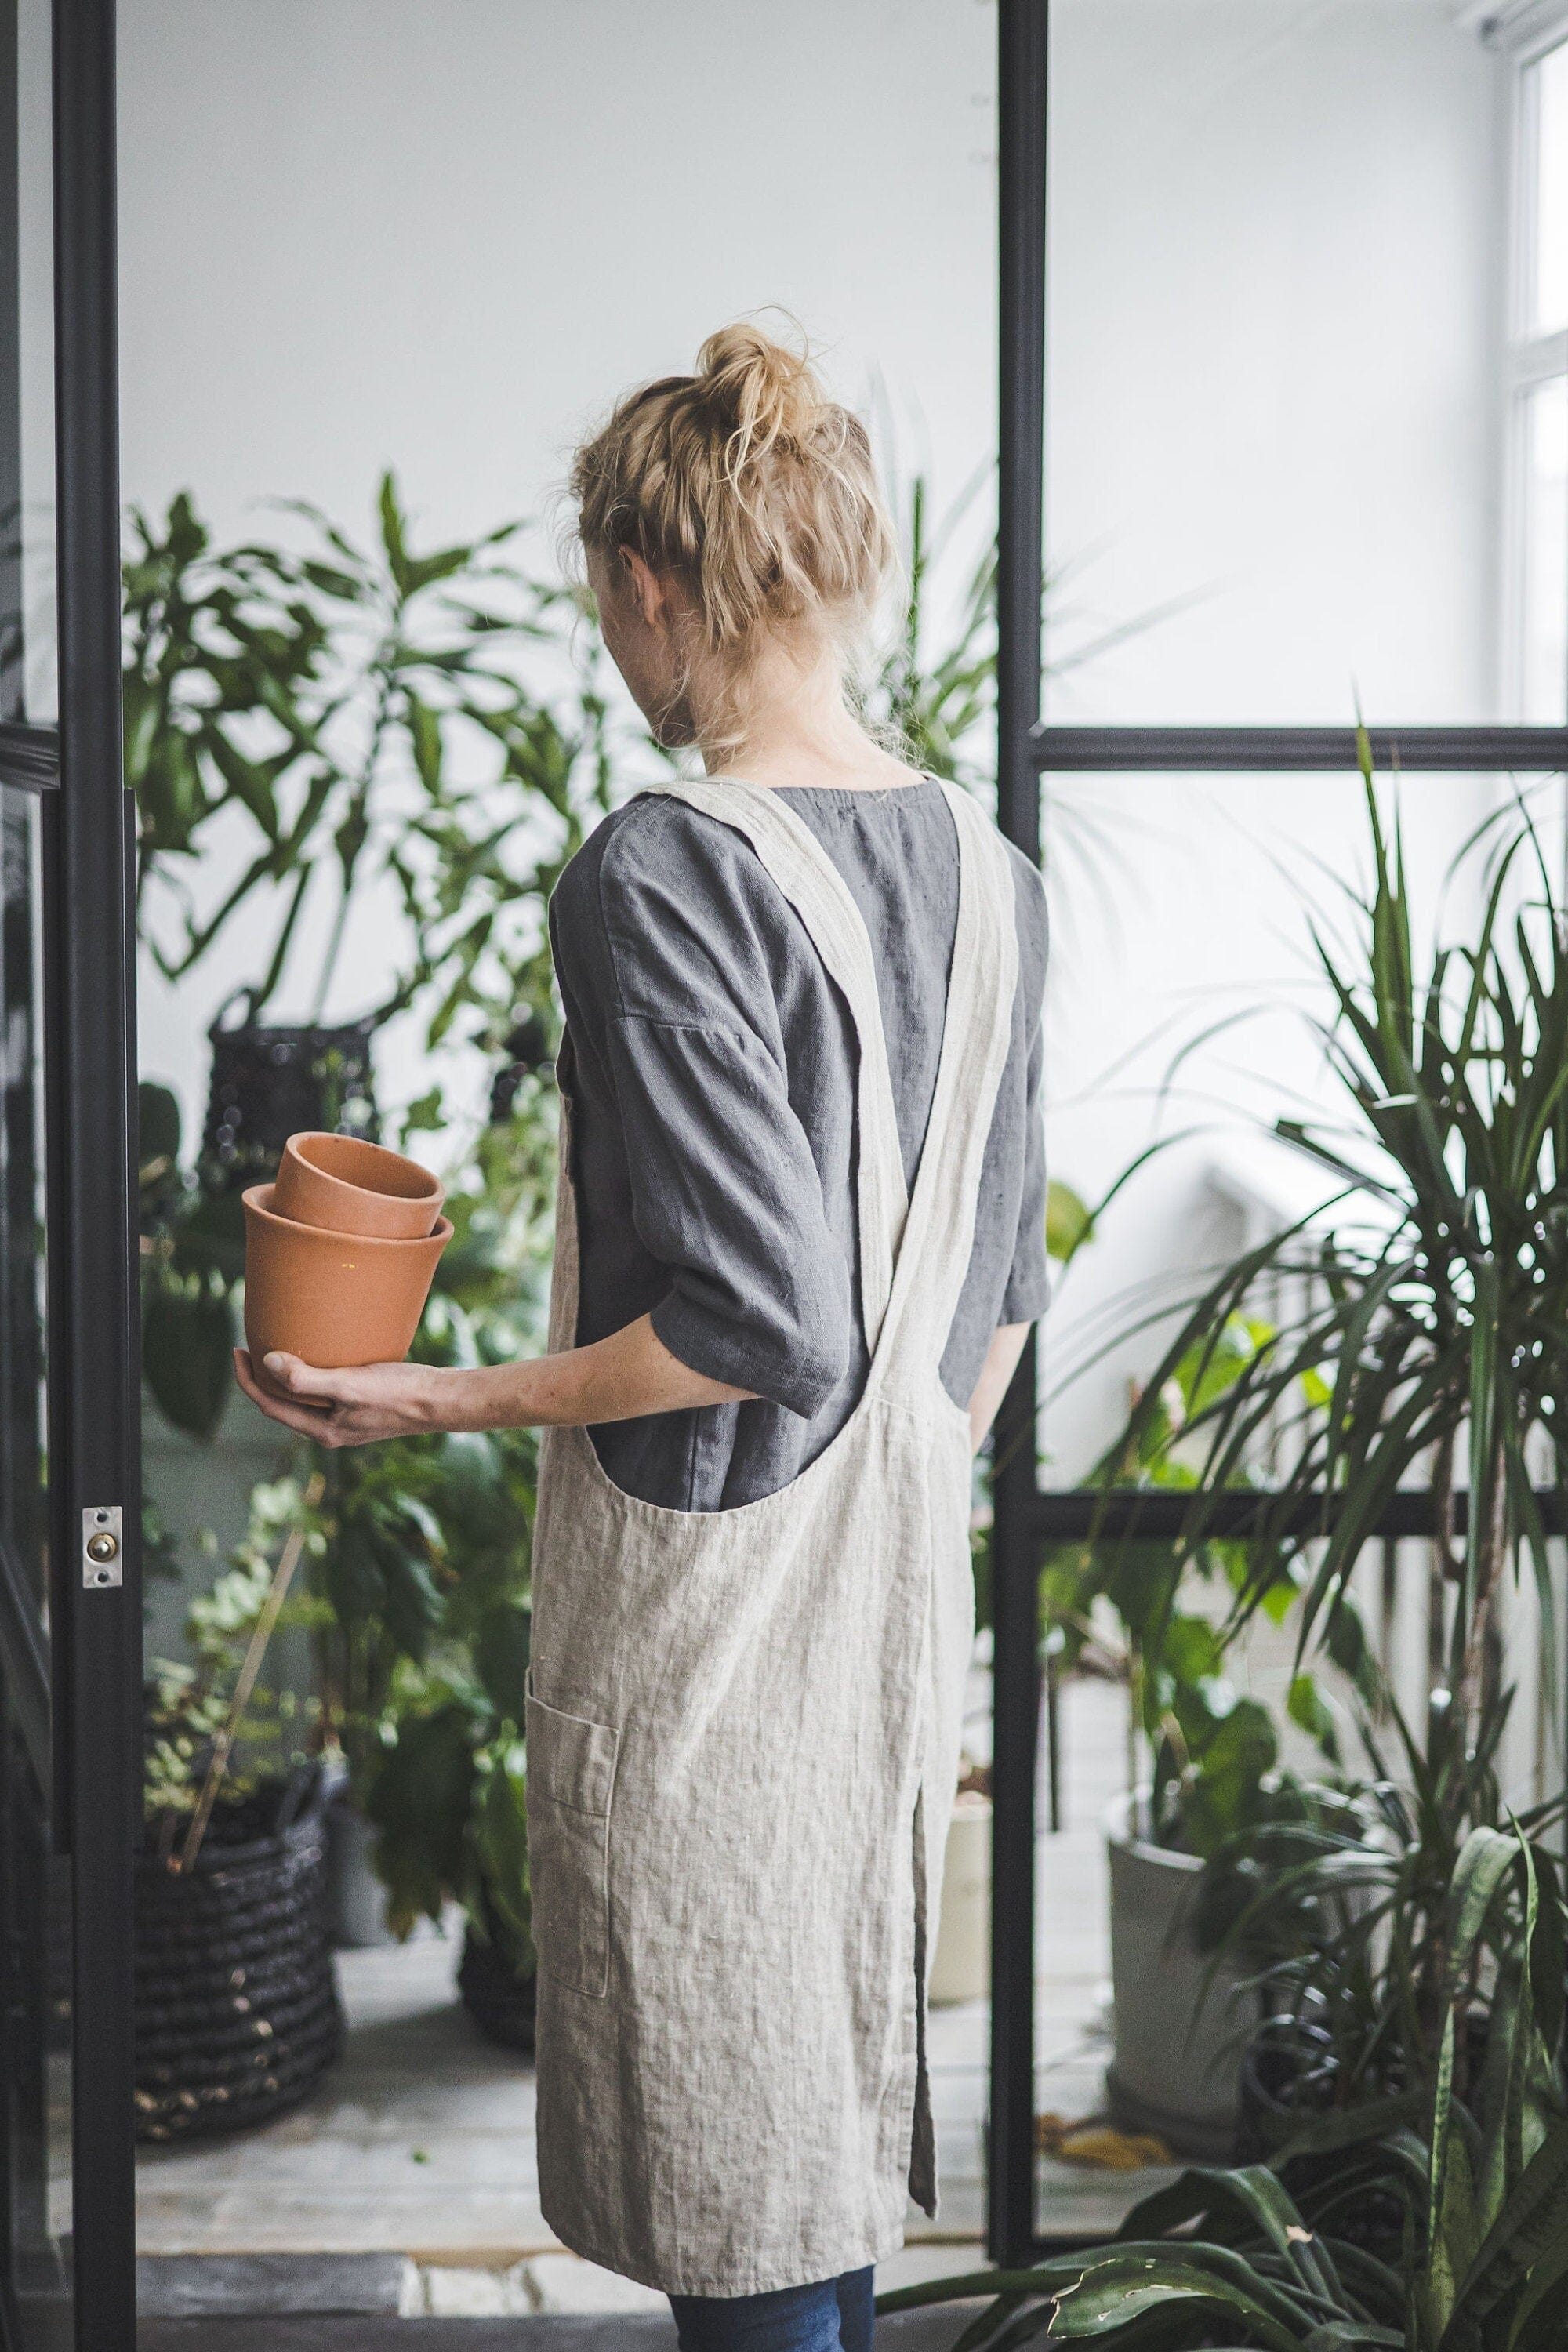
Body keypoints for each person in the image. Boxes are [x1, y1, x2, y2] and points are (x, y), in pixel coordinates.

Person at [237, 320, 1048, 2352]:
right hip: (883, 1614)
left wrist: (433, 1393)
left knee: (732, 2183)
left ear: (653, 582)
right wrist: (890, 1501)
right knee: (813, 2147)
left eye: (608, 600)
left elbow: (755, 1319)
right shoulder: (998, 873)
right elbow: (997, 1300)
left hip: (713, 1638)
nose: (612, 642)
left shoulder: (666, 869)